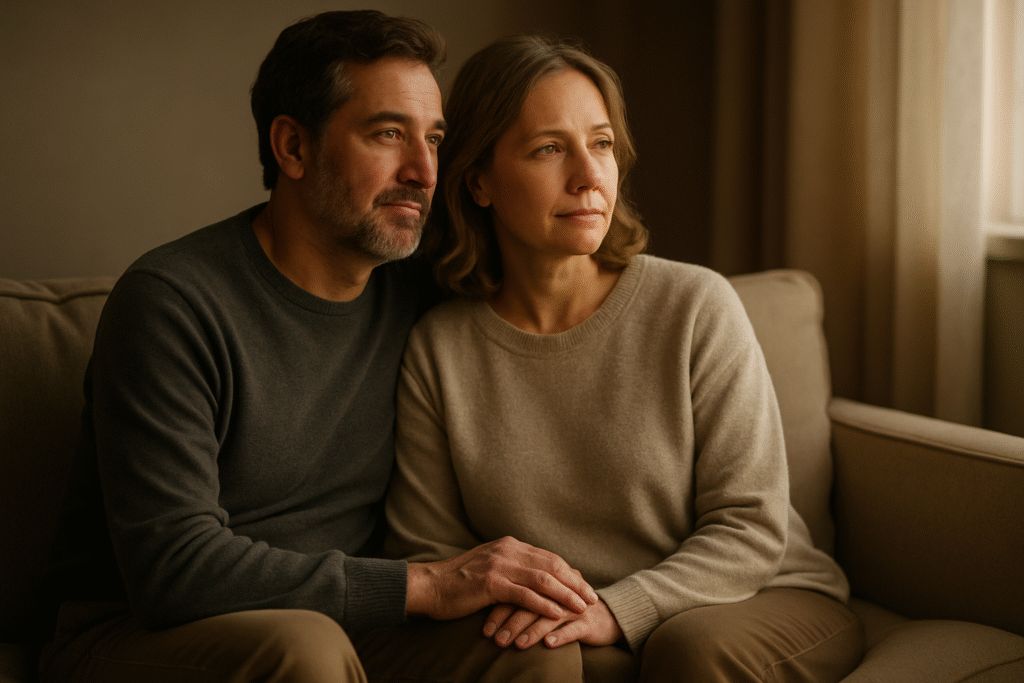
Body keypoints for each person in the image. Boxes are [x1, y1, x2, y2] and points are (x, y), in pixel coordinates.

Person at [37, 13, 598, 683]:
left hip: (347, 624)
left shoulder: (423, 290)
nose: (423, 171)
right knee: (304, 649)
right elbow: (174, 567)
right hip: (138, 629)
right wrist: (430, 584)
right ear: (292, 147)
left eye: (435, 138)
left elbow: (554, 280)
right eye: (388, 134)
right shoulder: (173, 302)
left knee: (534, 647)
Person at [385, 35, 865, 682]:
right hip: (567, 625)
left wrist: (618, 610)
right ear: (479, 180)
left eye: (603, 143)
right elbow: (433, 551)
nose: (589, 175)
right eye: (550, 148)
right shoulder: (440, 348)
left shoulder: (695, 305)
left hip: (760, 592)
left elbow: (751, 527)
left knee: (689, 652)